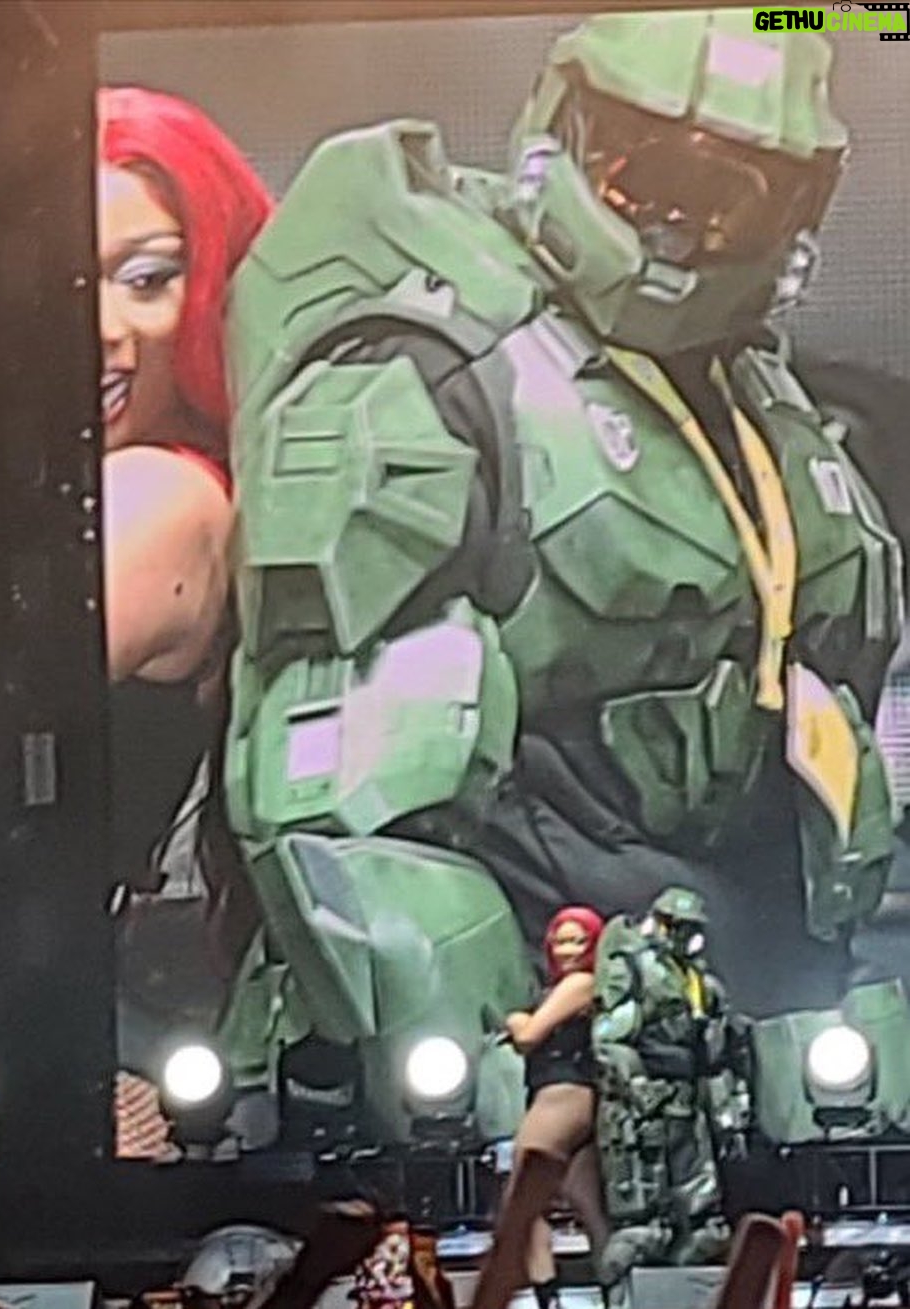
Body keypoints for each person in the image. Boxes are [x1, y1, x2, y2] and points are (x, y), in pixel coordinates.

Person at [214, 6, 905, 1159]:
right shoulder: (432, 377)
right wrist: (493, 1106)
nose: (676, 225)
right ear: (564, 130)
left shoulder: (763, 412)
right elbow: (347, 804)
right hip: (481, 1063)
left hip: (742, 1039)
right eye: (641, 172)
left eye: (728, 195)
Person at [0, 85, 272, 1158]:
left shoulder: (158, 500)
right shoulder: (44, 504)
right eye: (50, 283)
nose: (95, 327)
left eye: (148, 277)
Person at [592, 888, 751, 1282]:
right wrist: (636, 1086)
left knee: (703, 1218)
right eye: (676, 926)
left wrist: (729, 1108)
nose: (684, 936)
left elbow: (717, 1054)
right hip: (645, 1102)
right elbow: (609, 1038)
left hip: (688, 1098)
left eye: (690, 929)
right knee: (642, 1220)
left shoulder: (700, 982)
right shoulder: (635, 969)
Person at [471, 906, 609, 1309]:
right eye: (561, 941)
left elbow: (529, 1036)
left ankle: (543, 1298)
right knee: (587, 1204)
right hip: (567, 1098)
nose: (568, 950)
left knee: (521, 1205)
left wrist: (515, 1020)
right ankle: (613, 1292)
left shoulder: (581, 983)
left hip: (561, 1098)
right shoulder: (573, 986)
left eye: (578, 941)